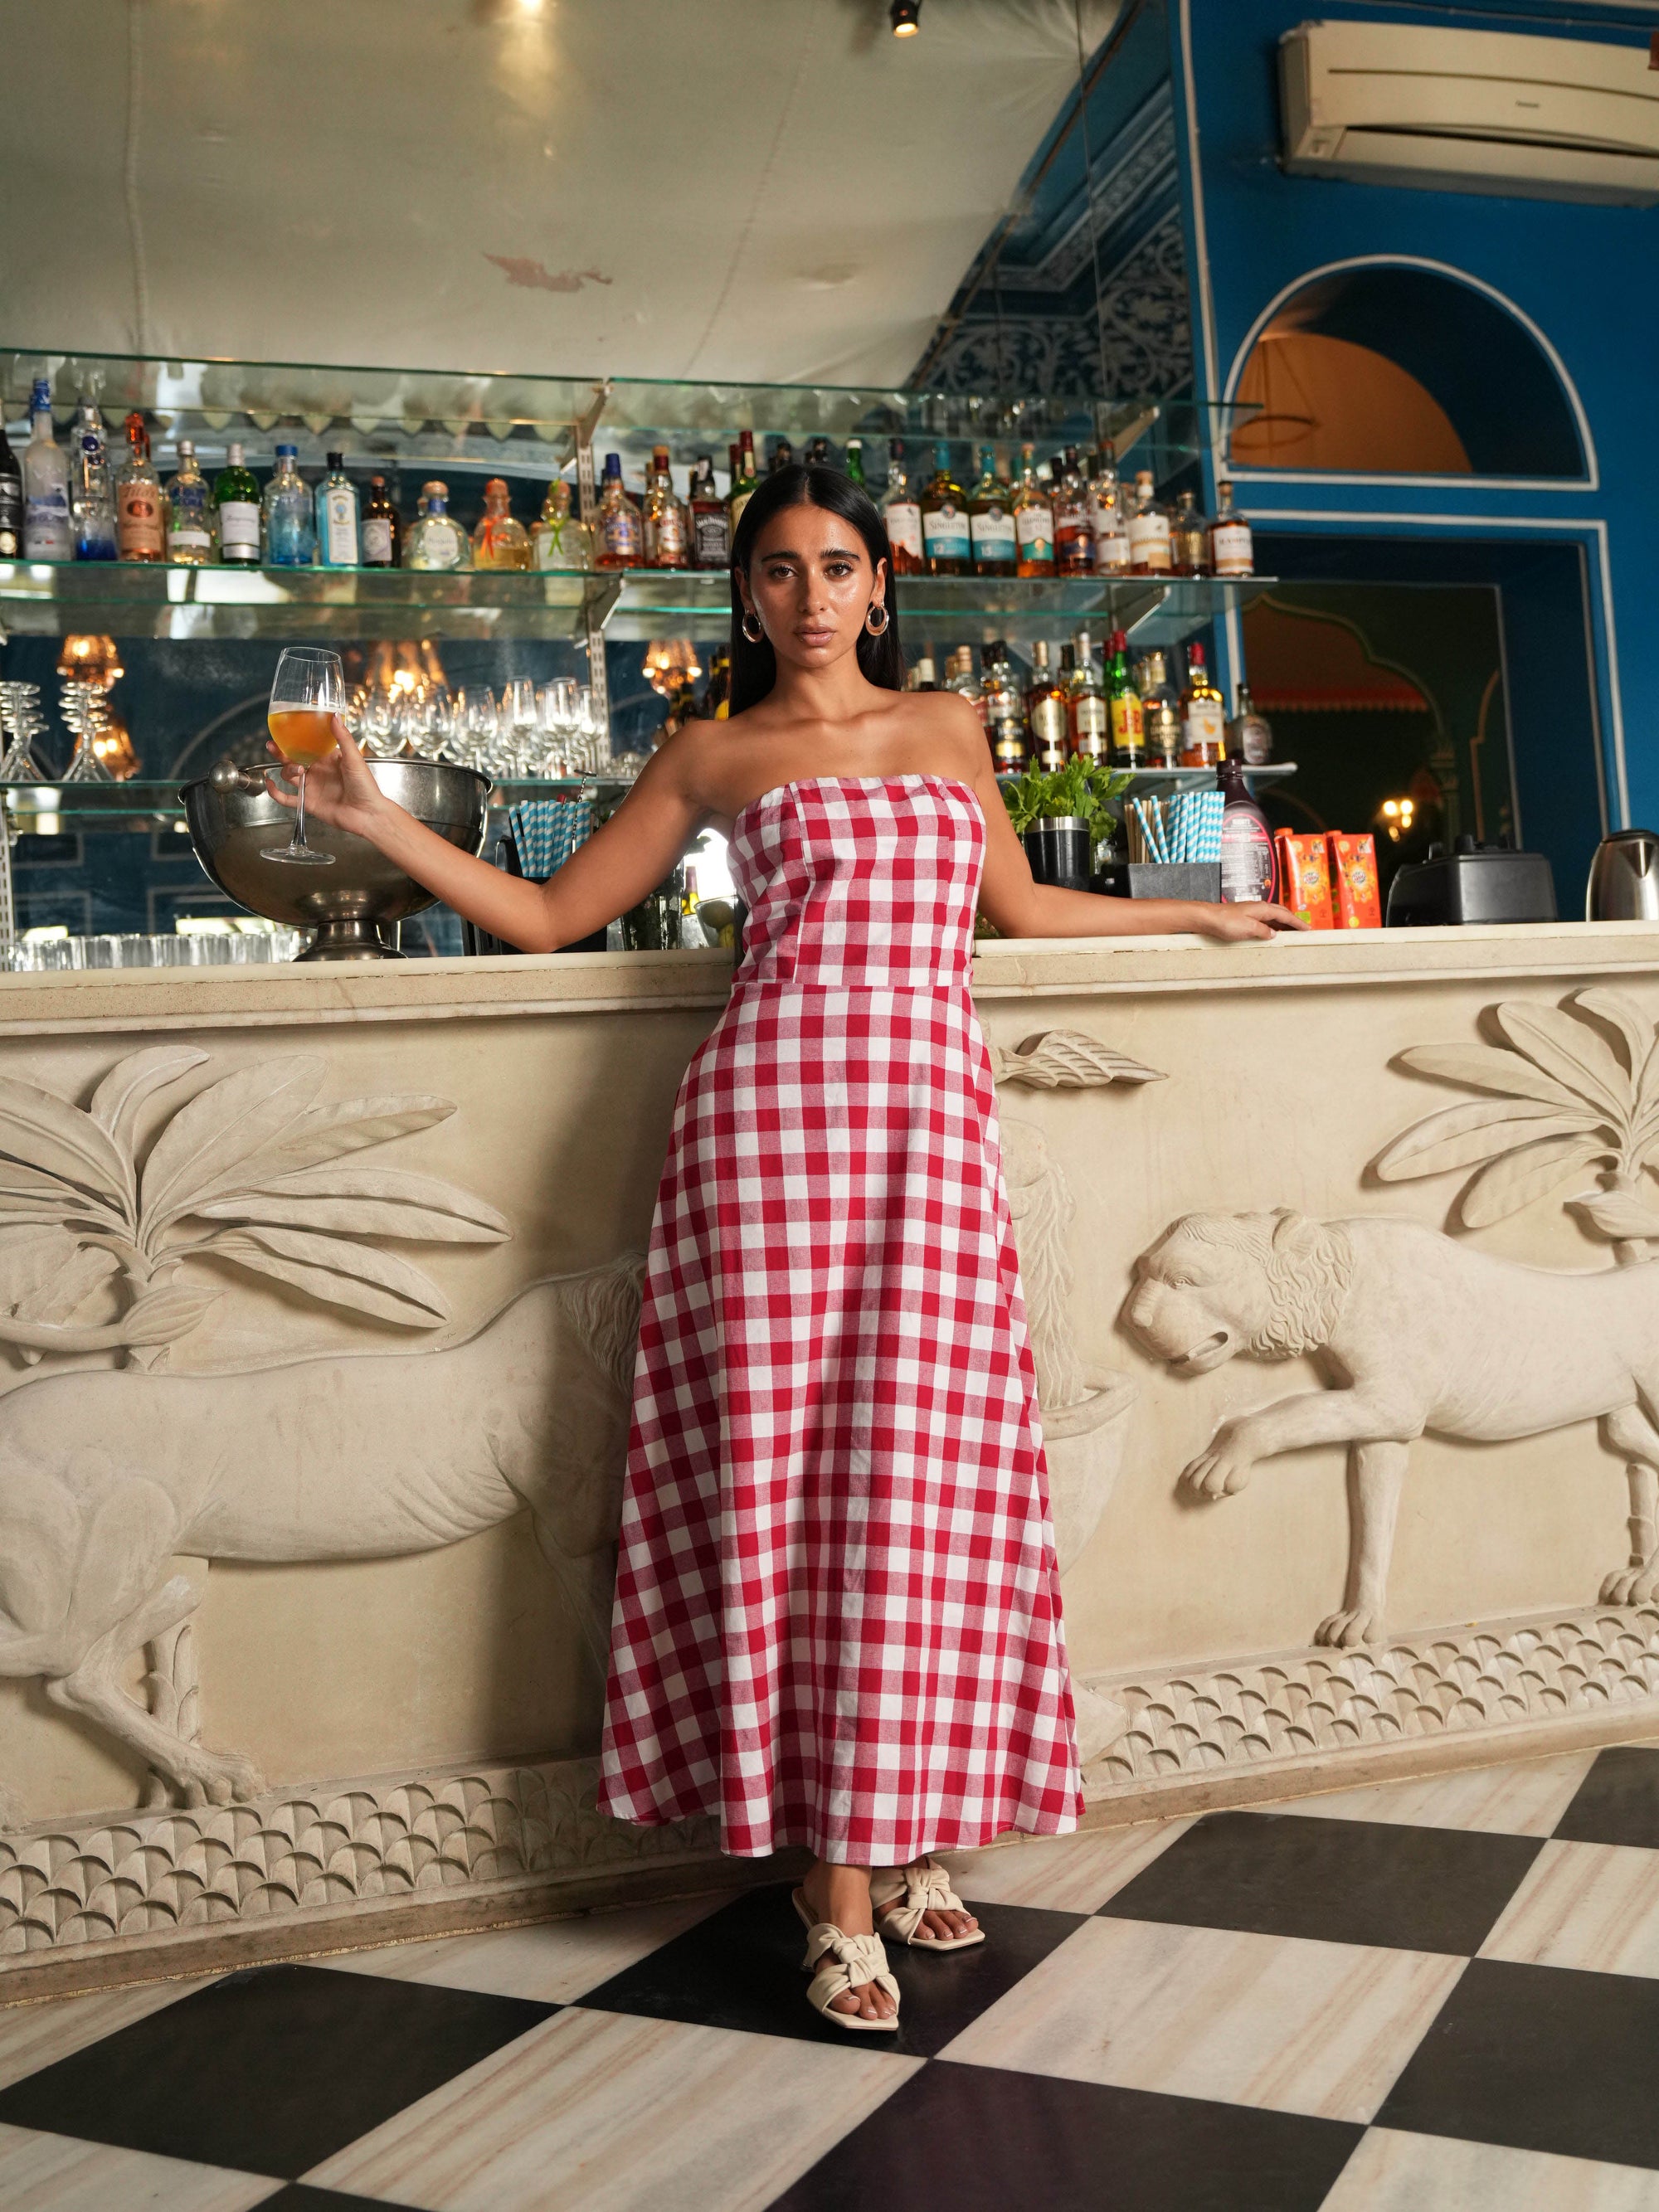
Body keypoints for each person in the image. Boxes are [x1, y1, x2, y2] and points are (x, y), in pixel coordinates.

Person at [272, 462, 1301, 2032]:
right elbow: (550, 920)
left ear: (880, 584)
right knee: (793, 1479)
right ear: (742, 595)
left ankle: (903, 1832)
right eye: (777, 570)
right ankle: (831, 1887)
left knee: (927, 1479)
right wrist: (363, 815)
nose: (810, 595)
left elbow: (1015, 911)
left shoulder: (950, 728)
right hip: (768, 1140)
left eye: (836, 565)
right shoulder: (714, 750)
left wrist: (1195, 918)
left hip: (930, 1143)